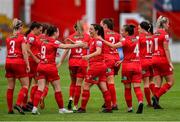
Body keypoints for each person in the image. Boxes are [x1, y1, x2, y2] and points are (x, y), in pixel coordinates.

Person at [31, 25, 84, 115]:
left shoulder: (43, 41)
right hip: (50, 67)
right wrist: (79, 44)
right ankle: (61, 109)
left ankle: (34, 109)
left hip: (40, 66)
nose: (58, 33)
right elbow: (65, 46)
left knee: (40, 87)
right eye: (58, 31)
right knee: (57, 88)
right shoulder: (53, 41)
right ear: (55, 33)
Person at [100, 24, 144, 114]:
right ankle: (140, 101)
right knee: (137, 87)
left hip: (127, 67)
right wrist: (122, 60)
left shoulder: (125, 41)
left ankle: (130, 108)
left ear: (127, 32)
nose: (121, 32)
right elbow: (133, 53)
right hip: (137, 66)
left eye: (122, 31)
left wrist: (102, 40)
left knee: (127, 88)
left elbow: (113, 46)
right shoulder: (137, 39)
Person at [77, 24, 112, 113]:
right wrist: (74, 44)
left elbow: (98, 51)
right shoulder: (93, 40)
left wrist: (88, 56)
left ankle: (82, 108)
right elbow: (86, 46)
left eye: (91, 29)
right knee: (103, 86)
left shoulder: (98, 40)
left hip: (96, 66)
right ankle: (108, 108)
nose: (89, 31)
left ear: (96, 31)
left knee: (86, 85)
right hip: (100, 66)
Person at [57, 21, 90, 111]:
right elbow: (88, 47)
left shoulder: (71, 37)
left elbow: (66, 50)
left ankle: (71, 98)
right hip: (82, 62)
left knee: (73, 82)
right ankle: (75, 105)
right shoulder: (87, 37)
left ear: (75, 28)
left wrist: (60, 62)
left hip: (72, 62)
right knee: (79, 84)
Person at [5, 18, 30, 114]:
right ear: (19, 27)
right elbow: (24, 52)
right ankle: (18, 104)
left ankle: (10, 110)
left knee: (10, 86)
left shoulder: (8, 38)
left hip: (8, 62)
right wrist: (27, 64)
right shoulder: (22, 37)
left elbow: (7, 52)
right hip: (18, 62)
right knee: (25, 85)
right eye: (22, 26)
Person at [152, 16, 174, 109]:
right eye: (168, 23)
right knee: (170, 82)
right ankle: (156, 96)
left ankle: (155, 104)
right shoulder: (165, 34)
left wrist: (158, 20)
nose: (168, 25)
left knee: (158, 83)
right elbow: (166, 49)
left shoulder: (155, 33)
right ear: (164, 24)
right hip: (162, 59)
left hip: (154, 59)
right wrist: (170, 62)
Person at [100, 18, 121, 110]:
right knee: (108, 81)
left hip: (108, 60)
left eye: (101, 25)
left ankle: (114, 103)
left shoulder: (101, 35)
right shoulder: (117, 34)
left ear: (105, 25)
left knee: (108, 82)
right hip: (116, 59)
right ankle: (107, 101)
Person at [25, 22, 43, 110]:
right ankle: (27, 103)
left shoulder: (33, 36)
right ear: (35, 28)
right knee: (30, 83)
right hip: (32, 62)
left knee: (34, 83)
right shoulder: (31, 36)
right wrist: (35, 58)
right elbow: (27, 49)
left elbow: (33, 49)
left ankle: (29, 102)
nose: (40, 32)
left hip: (34, 62)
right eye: (40, 30)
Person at [138, 21, 154, 106]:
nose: (138, 30)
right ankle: (156, 99)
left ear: (143, 28)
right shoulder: (152, 37)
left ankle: (149, 103)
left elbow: (136, 51)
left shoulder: (140, 38)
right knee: (152, 81)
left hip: (144, 61)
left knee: (146, 83)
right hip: (152, 61)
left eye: (139, 28)